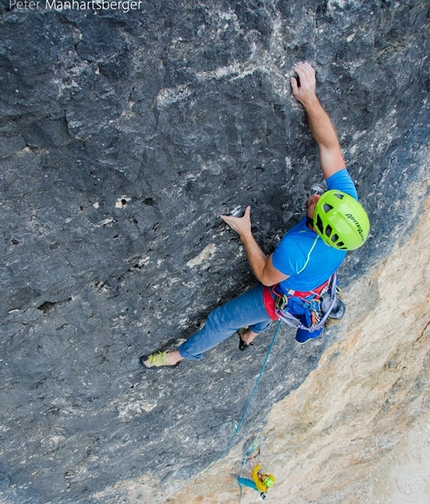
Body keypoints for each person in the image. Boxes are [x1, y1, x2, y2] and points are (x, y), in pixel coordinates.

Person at [140, 62, 369, 369]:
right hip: (309, 280)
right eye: (323, 196)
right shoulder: (344, 209)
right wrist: (310, 99)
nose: (315, 196)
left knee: (224, 318)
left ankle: (178, 356)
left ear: (318, 227)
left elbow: (264, 275)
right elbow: (329, 147)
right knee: (263, 309)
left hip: (282, 294)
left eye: (316, 204)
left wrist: (246, 232)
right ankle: (254, 332)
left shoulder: (296, 250)